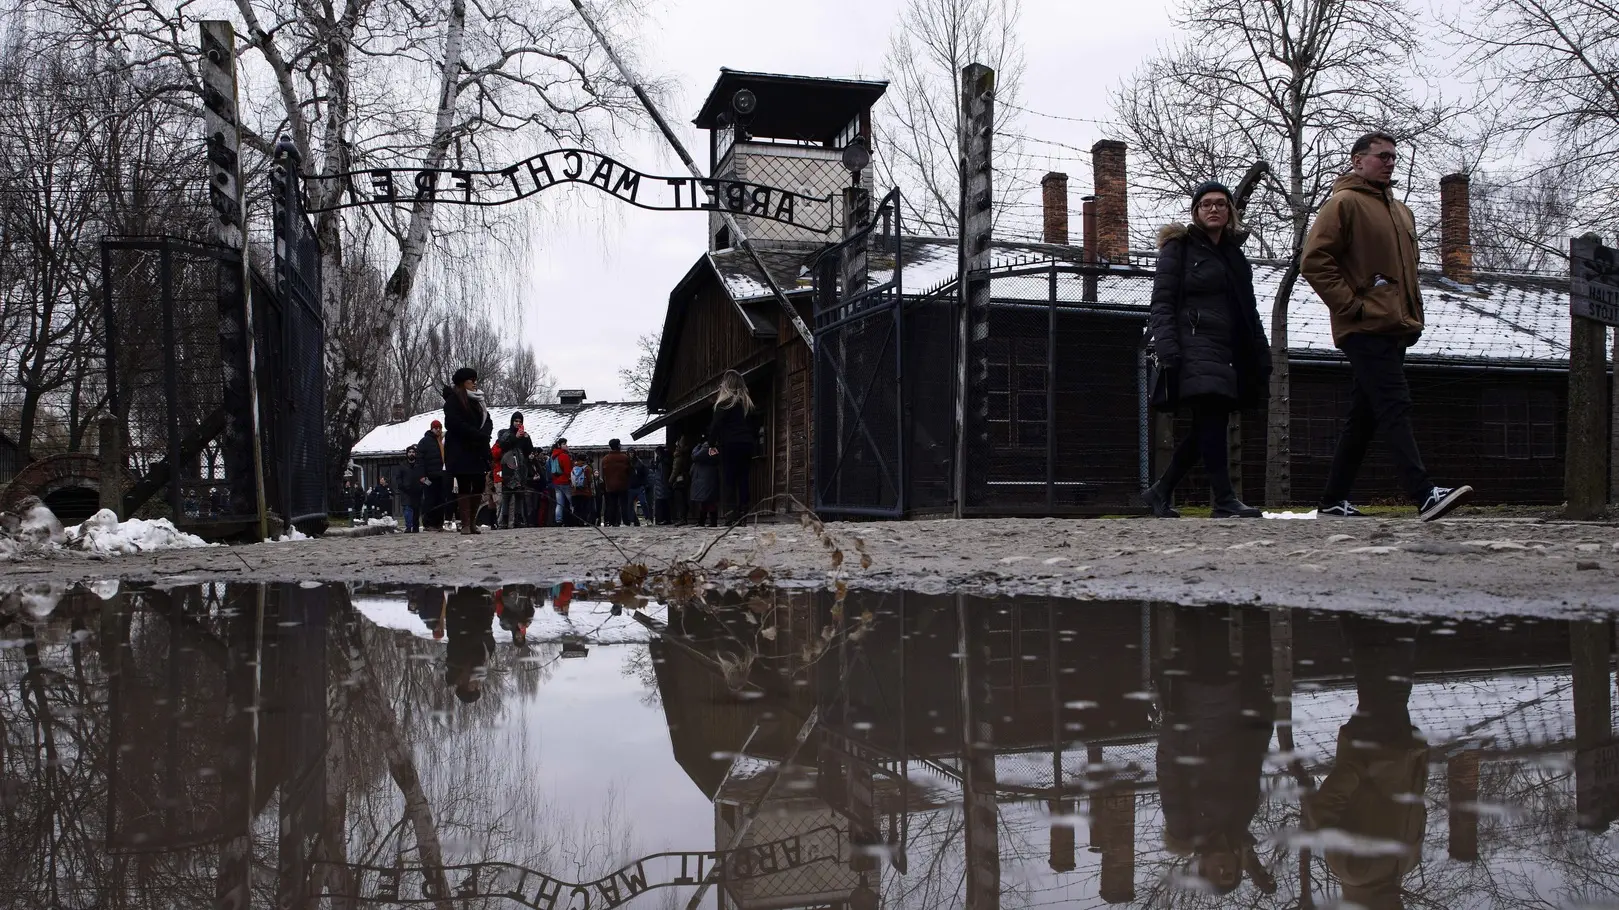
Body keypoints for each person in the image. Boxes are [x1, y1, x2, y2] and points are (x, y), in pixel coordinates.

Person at [1302, 132, 1474, 522]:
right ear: (1358, 160)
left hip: (1396, 326)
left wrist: (1412, 314)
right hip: (1364, 328)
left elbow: (1407, 273)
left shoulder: (1401, 212)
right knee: (1394, 403)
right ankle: (1424, 493)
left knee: (1363, 416)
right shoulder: (1343, 204)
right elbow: (1314, 261)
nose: (1390, 162)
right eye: (1382, 156)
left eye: (1393, 156)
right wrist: (1352, 306)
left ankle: (1332, 500)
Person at [1142, 181, 1270, 520]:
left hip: (1230, 349)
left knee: (1208, 425)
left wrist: (1261, 351)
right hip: (1194, 345)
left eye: (1220, 204)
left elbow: (1249, 309)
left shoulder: (1235, 257)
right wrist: (1168, 347)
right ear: (1196, 212)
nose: (1214, 209)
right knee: (1211, 418)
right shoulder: (1179, 249)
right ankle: (1224, 499)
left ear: (1230, 212)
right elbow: (1162, 302)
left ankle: (1161, 491)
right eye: (1206, 204)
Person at [1303, 616, 1428, 909]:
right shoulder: (1403, 868)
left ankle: (1386, 623)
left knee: (1386, 691)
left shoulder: (1353, 871)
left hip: (1371, 754)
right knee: (1388, 690)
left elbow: (1322, 812)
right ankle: (1372, 623)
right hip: (1398, 752)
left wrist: (1357, 770)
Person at [1157, 606, 1278, 896]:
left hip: (1197, 719)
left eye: (1217, 874)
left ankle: (1197, 596)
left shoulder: (1185, 828)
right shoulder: (1240, 822)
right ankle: (1205, 598)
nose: (1225, 869)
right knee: (1219, 644)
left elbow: (1169, 776)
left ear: (1202, 867)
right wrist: (1264, 721)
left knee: (1205, 645)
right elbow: (1252, 764)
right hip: (1234, 716)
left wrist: (1175, 728)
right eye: (1231, 873)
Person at [442, 367, 494, 535]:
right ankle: (465, 523)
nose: (474, 384)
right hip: (461, 449)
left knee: (479, 483)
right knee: (464, 484)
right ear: (463, 383)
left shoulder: (478, 401)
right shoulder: (453, 401)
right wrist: (475, 434)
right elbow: (453, 423)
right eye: (471, 381)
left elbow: (487, 419)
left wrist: (485, 434)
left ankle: (472, 521)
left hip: (478, 449)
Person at [707, 370, 756, 522]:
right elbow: (755, 426)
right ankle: (744, 513)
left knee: (729, 479)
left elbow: (715, 425)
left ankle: (731, 514)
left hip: (730, 444)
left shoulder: (724, 404)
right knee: (743, 478)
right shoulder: (747, 404)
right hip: (746, 444)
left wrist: (711, 443)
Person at [444, 587, 496, 703]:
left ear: (463, 686)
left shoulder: (457, 667)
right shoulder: (481, 670)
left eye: (472, 689)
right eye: (477, 689)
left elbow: (459, 642)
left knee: (468, 583)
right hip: (480, 615)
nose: (476, 686)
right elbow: (489, 646)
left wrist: (481, 635)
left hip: (465, 614)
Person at [496, 413, 535, 529]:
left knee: (519, 495)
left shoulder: (525, 436)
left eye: (520, 422)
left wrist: (527, 440)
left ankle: (518, 520)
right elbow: (502, 445)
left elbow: (529, 451)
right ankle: (504, 520)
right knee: (506, 495)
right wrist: (515, 437)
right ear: (512, 421)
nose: (518, 423)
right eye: (516, 421)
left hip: (521, 468)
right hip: (508, 468)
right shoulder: (506, 434)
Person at [419, 420, 448, 530]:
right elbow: (420, 460)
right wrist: (422, 476)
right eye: (436, 428)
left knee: (441, 500)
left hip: (441, 475)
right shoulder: (425, 442)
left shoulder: (441, 441)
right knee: (430, 500)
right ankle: (428, 523)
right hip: (429, 477)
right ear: (432, 428)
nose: (438, 430)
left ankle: (439, 523)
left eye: (439, 428)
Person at [600, 439, 633, 527]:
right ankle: (626, 521)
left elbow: (603, 473)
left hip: (610, 485)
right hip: (623, 484)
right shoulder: (625, 457)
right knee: (624, 504)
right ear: (618, 446)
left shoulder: (605, 459)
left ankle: (613, 522)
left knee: (612, 504)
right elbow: (629, 471)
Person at [690, 435, 721, 527]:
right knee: (706, 500)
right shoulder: (713, 449)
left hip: (705, 477)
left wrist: (697, 447)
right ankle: (705, 521)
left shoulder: (706, 447)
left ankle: (708, 521)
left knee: (707, 500)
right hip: (708, 477)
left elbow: (695, 456)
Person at [394, 446, 424, 532]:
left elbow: (424, 477)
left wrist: (425, 485)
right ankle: (408, 527)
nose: (411, 453)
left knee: (416, 510)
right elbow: (398, 478)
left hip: (417, 491)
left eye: (413, 452)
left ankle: (415, 527)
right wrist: (401, 486)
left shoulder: (420, 465)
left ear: (415, 454)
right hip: (406, 491)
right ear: (407, 454)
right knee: (407, 509)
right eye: (410, 452)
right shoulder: (402, 465)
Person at [548, 438, 574, 526]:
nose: (566, 445)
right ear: (559, 445)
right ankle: (575, 518)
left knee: (559, 503)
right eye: (564, 444)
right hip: (565, 482)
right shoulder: (564, 456)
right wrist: (570, 479)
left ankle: (558, 520)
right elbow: (568, 471)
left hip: (556, 482)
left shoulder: (552, 456)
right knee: (571, 502)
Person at [670, 435, 692, 525]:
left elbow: (675, 471)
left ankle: (682, 518)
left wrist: (670, 481)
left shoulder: (679, 456)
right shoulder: (687, 454)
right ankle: (684, 518)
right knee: (684, 499)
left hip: (679, 480)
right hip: (686, 478)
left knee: (680, 500)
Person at [572, 457, 597, 526]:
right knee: (585, 508)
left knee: (577, 508)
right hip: (585, 491)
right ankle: (582, 522)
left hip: (575, 492)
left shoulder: (573, 468)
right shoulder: (587, 468)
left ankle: (576, 522)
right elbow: (590, 480)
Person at [652, 446, 672, 526]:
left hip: (661, 485)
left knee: (661, 503)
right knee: (663, 503)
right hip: (660, 485)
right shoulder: (662, 462)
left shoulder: (662, 463)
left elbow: (663, 476)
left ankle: (661, 519)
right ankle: (664, 519)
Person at [630, 453, 651, 526]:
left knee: (643, 503)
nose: (631, 454)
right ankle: (634, 520)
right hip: (631, 487)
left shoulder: (640, 463)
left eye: (632, 453)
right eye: (630, 453)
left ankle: (648, 519)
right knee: (630, 505)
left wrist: (645, 484)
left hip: (639, 486)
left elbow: (646, 474)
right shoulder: (627, 463)